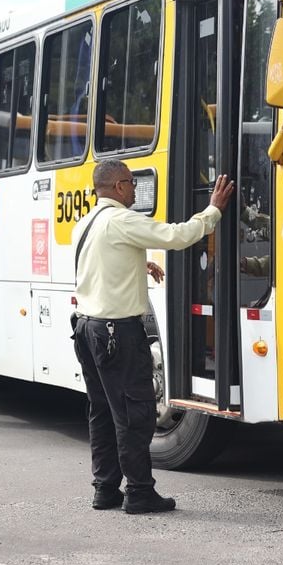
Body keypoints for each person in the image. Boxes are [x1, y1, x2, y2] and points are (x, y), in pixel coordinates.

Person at [70, 160, 234, 514]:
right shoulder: (123, 220)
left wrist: (138, 263)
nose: (134, 189)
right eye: (131, 183)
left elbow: (101, 261)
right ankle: (140, 492)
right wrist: (214, 211)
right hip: (117, 332)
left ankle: (105, 489)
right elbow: (177, 236)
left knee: (101, 412)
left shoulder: (86, 222)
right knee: (136, 413)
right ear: (117, 187)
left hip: (87, 329)